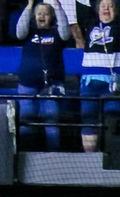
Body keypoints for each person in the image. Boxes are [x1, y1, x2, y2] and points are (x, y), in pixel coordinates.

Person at [78, 0, 120, 153]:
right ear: (97, 10)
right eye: (103, 6)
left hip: (115, 83)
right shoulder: (89, 22)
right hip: (90, 82)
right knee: (88, 119)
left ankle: (109, 159)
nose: (106, 9)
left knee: (112, 119)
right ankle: (91, 162)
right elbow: (81, 3)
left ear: (117, 10)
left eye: (110, 6)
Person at [17, 0, 73, 151]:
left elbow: (66, 32)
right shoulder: (28, 32)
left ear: (52, 17)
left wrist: (56, 5)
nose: (42, 16)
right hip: (27, 85)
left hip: (51, 86)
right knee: (25, 122)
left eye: (46, 14)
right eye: (39, 13)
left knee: (52, 123)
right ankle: (25, 154)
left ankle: (53, 157)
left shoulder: (57, 34)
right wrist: (29, 6)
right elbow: (19, 31)